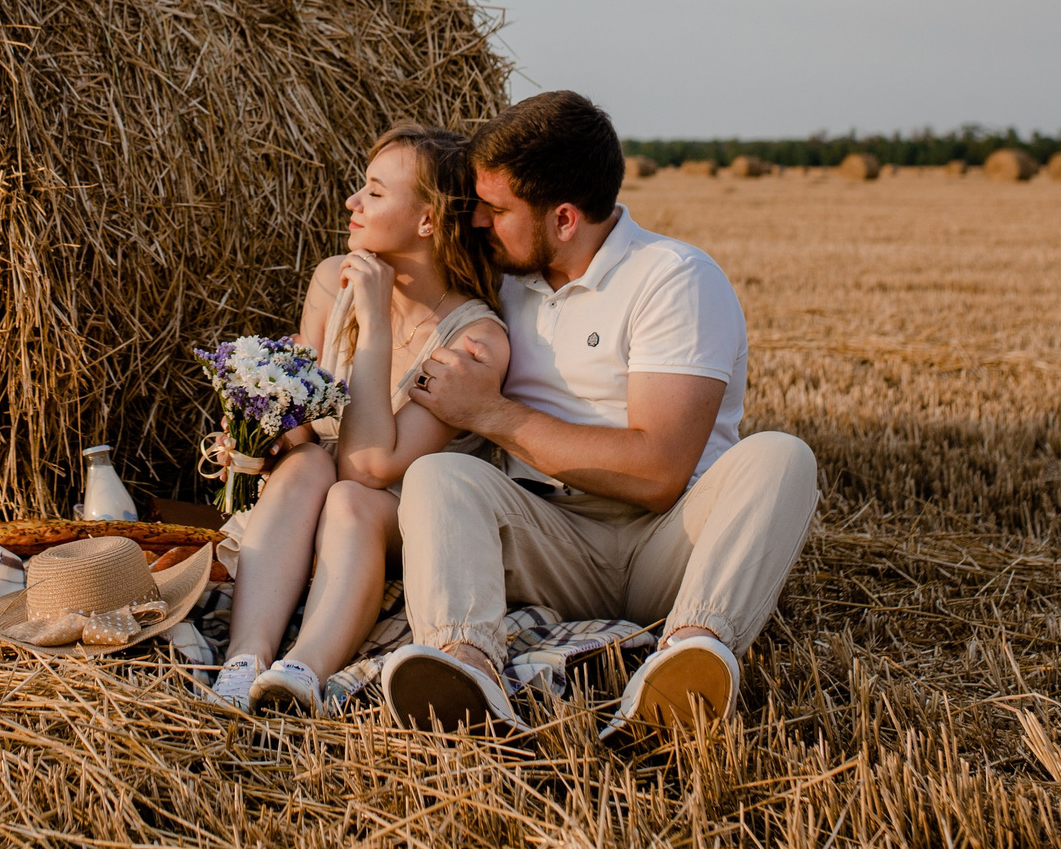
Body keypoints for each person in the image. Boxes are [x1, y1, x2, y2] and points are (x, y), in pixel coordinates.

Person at [377, 90, 817, 737]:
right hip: (550, 536)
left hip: (672, 542)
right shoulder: (503, 281)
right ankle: (465, 664)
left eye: (496, 210)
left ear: (562, 219)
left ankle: (689, 657)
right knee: (439, 476)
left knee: (783, 456)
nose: (478, 223)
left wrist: (494, 413)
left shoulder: (672, 278)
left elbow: (657, 470)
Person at [209, 125, 511, 714]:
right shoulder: (332, 280)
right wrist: (265, 439)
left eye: (374, 192)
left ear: (427, 220)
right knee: (304, 467)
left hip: (404, 516)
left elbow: (373, 466)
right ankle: (244, 661)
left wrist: (373, 324)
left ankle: (305, 670)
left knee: (349, 495)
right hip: (316, 494)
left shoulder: (475, 340)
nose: (352, 202)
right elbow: (309, 416)